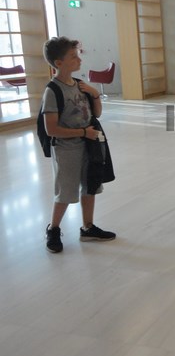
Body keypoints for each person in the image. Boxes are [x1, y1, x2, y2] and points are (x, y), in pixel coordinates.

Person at [42, 36, 115, 253]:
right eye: (73, 57)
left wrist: (95, 94)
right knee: (65, 191)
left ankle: (88, 227)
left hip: (89, 145)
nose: (79, 60)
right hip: (67, 149)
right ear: (59, 63)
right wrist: (83, 132)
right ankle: (54, 229)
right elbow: (51, 129)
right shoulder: (52, 91)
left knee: (90, 186)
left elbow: (97, 113)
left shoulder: (80, 85)